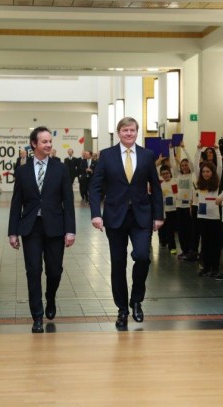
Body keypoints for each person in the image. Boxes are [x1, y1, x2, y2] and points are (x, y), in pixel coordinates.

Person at [89, 117, 164, 329]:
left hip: (142, 216)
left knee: (142, 256)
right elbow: (95, 187)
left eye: (132, 130)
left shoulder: (147, 155)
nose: (128, 134)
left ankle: (137, 301)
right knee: (118, 264)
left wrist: (158, 216)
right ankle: (122, 309)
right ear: (119, 132)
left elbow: (156, 188)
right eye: (125, 130)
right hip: (115, 217)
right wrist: (96, 213)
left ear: (137, 132)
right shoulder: (107, 155)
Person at [8, 126, 76, 333]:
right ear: (34, 144)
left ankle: (51, 297)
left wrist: (70, 230)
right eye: (44, 142)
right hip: (31, 228)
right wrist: (13, 231)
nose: (48, 145)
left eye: (49, 141)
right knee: (33, 271)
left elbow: (68, 201)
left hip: (55, 227)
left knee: (54, 271)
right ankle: (37, 316)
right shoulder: (22, 171)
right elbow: (16, 202)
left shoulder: (60, 168)